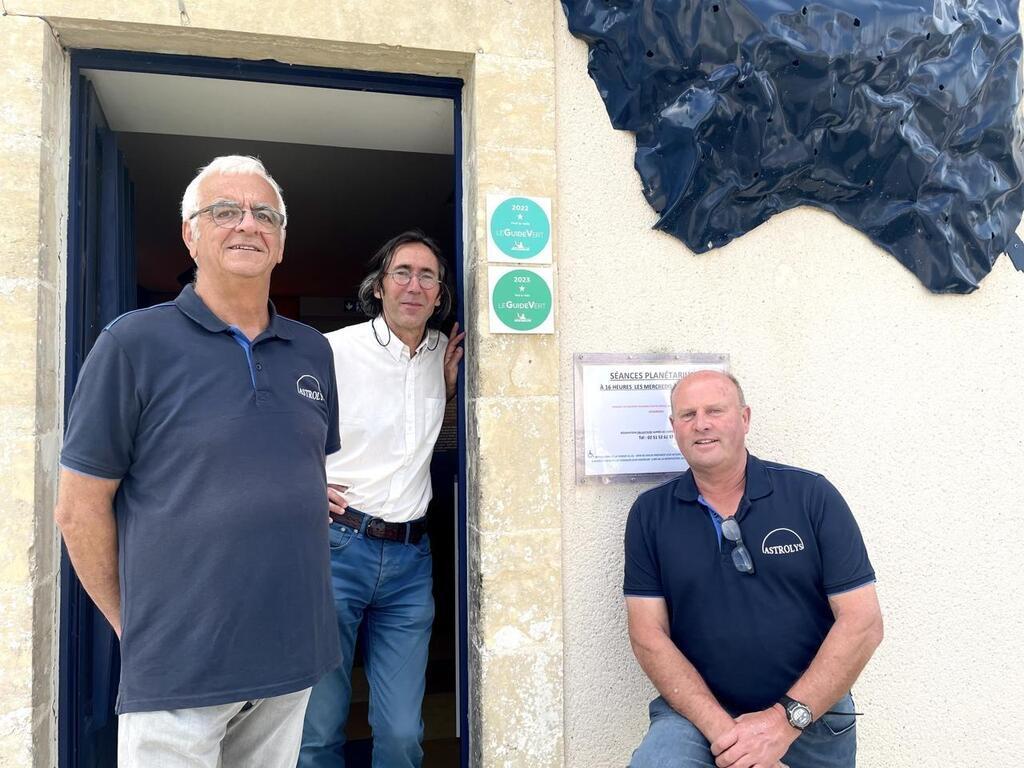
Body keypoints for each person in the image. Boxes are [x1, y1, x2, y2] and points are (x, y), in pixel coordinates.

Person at [55, 155, 341, 768]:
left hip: (293, 653)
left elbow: (300, 469)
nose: (247, 224)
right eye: (224, 211)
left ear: (282, 241)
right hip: (179, 666)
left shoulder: (311, 351)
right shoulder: (131, 344)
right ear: (190, 233)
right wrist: (136, 628)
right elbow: (78, 508)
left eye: (265, 214)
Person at [624, 370, 883, 768]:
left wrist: (781, 725)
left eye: (715, 410)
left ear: (744, 419)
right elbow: (647, 635)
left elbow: (862, 623)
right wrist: (735, 742)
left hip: (810, 715)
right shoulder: (650, 514)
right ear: (673, 427)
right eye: (687, 414)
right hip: (698, 717)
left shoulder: (811, 496)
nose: (702, 423)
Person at [298, 231, 465, 768]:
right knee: (319, 728)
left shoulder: (443, 351)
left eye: (427, 276)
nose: (414, 286)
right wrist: (300, 483)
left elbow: (430, 442)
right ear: (379, 286)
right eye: (402, 273)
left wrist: (449, 393)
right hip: (336, 549)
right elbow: (279, 426)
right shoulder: (334, 350)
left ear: (439, 295)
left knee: (401, 734)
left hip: (410, 564)